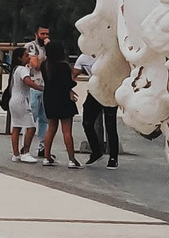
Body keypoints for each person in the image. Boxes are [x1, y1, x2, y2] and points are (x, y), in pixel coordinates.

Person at [35, 25, 80, 167]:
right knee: (67, 131)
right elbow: (69, 83)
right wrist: (71, 89)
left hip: (49, 97)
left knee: (51, 128)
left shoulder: (45, 66)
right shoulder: (64, 66)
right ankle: (72, 159)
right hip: (64, 99)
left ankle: (47, 156)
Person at [78, 49, 119, 166]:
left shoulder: (109, 55)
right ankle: (96, 151)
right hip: (94, 91)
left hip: (109, 91)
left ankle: (113, 157)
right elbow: (74, 72)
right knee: (87, 122)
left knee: (110, 125)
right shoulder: (84, 58)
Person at [7, 48, 37, 159]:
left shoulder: (15, 69)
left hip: (13, 101)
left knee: (16, 126)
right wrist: (40, 88)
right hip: (22, 101)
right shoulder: (22, 69)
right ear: (20, 58)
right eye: (26, 55)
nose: (29, 56)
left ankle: (15, 154)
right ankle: (25, 152)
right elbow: (27, 81)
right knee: (31, 127)